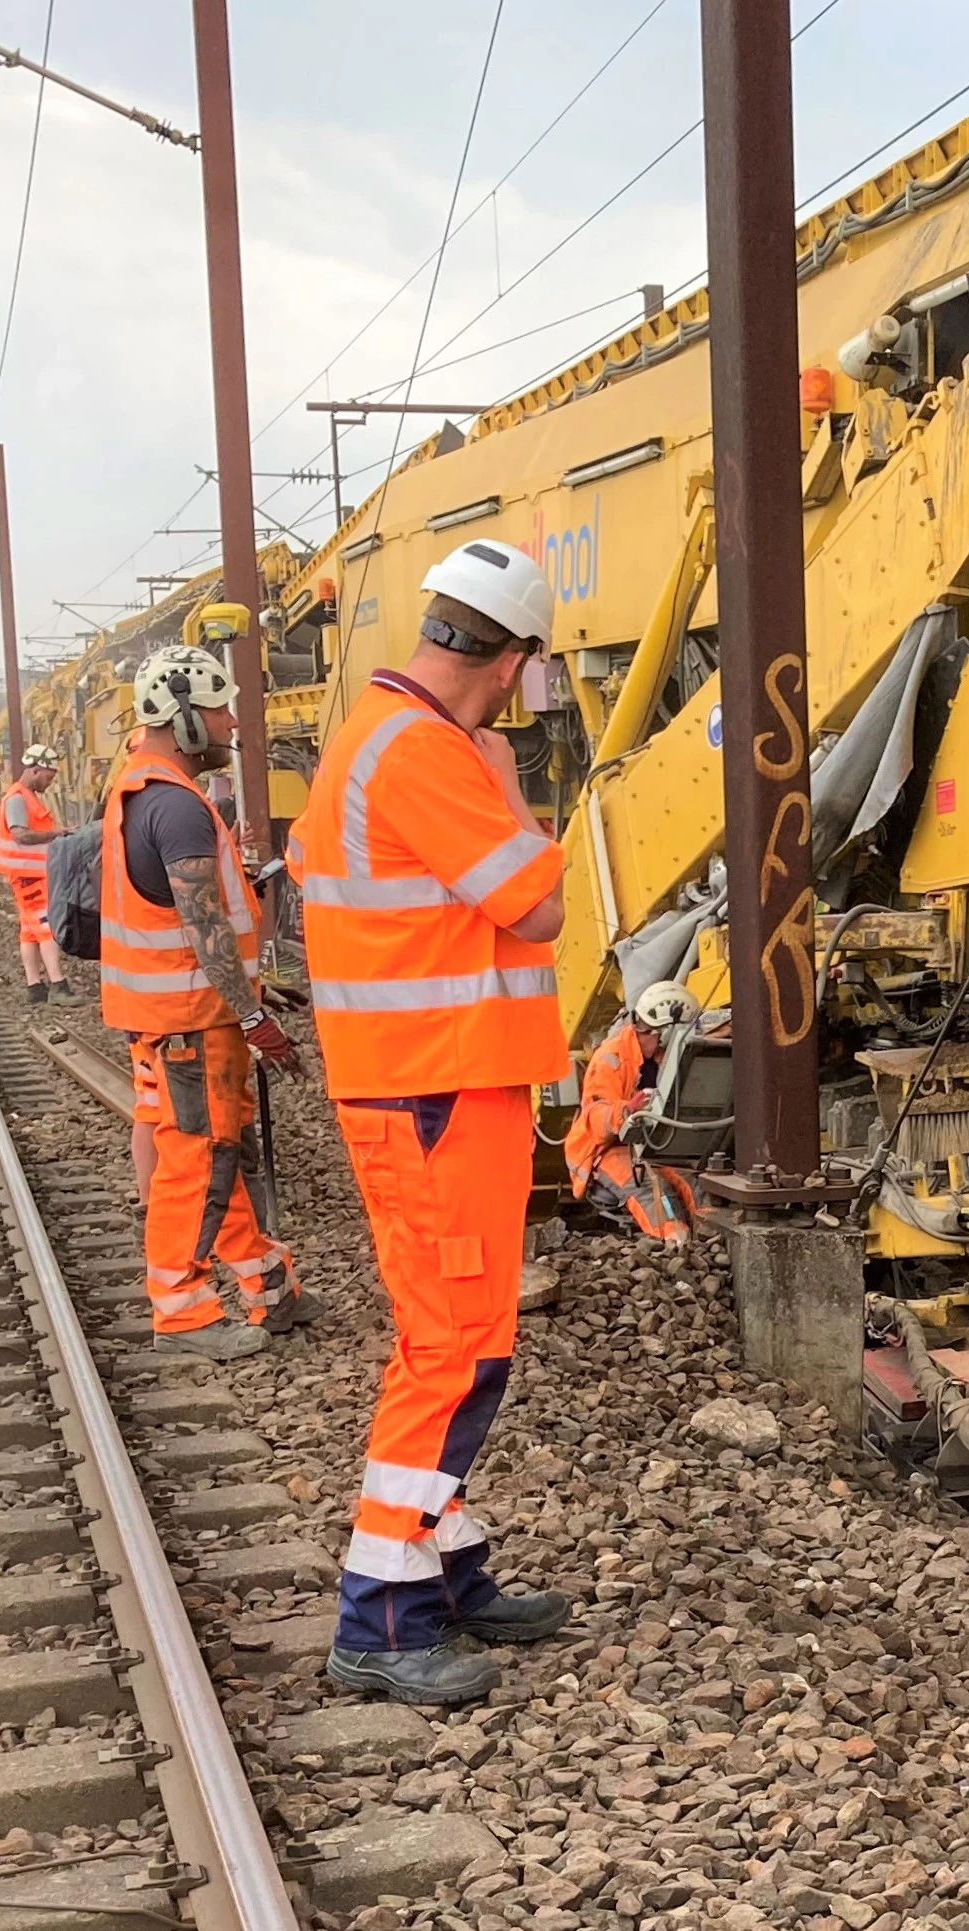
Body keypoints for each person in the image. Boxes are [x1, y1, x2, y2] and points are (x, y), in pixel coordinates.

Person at [292, 537, 575, 1705]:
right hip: (432, 1090)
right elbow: (542, 905)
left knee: (471, 1338)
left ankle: (446, 1567)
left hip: (440, 1083)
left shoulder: (374, 735)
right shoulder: (426, 754)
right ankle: (382, 1616)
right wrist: (510, 785)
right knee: (447, 1351)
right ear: (509, 663)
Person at [102, 644, 311, 1364]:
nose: (232, 725)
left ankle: (268, 1286)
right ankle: (183, 1313)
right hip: (193, 1021)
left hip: (179, 1016)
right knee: (198, 1163)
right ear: (183, 713)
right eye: (222, 709)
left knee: (226, 1153)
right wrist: (254, 1017)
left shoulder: (145, 791)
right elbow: (203, 923)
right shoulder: (177, 808)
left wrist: (256, 988)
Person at [561, 982, 702, 1243]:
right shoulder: (612, 1057)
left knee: (693, 1183)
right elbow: (595, 1118)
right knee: (652, 1188)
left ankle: (712, 1239)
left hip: (654, 1143)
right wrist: (627, 1110)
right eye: (644, 1030)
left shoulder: (669, 1057)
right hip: (605, 1149)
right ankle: (674, 1244)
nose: (641, 1034)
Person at [0, 744, 68, 1002]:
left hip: (26, 874)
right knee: (48, 928)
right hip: (29, 876)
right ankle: (58, 985)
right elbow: (21, 835)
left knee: (29, 931)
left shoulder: (24, 796)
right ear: (35, 770)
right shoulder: (17, 797)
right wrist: (56, 833)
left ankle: (34, 987)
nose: (49, 783)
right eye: (48, 777)